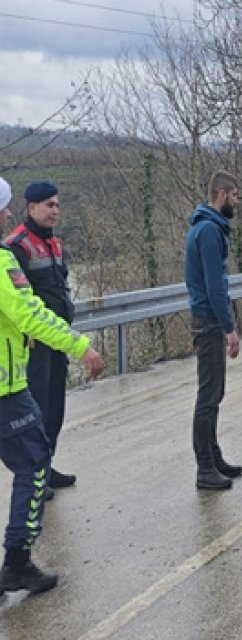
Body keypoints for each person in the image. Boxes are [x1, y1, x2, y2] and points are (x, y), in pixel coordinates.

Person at [0, 176, 105, 594]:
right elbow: (30, 314)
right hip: (7, 387)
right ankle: (17, 560)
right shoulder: (8, 256)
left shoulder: (51, 244)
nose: (6, 213)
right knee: (33, 463)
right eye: (4, 207)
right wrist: (81, 346)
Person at [3, 181, 78, 494]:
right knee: (37, 408)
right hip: (35, 342)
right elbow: (16, 300)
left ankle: (47, 466)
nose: (54, 211)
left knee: (55, 406)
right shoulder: (16, 245)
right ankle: (37, 475)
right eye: (49, 205)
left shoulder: (55, 243)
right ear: (31, 207)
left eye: (57, 205)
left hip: (56, 338)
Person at [185, 171, 242, 490]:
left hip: (208, 318)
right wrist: (228, 328)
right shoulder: (208, 230)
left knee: (215, 392)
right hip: (207, 320)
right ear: (221, 194)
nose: (236, 201)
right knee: (208, 395)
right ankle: (204, 468)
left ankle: (214, 455)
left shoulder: (210, 227)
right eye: (234, 195)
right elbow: (214, 285)